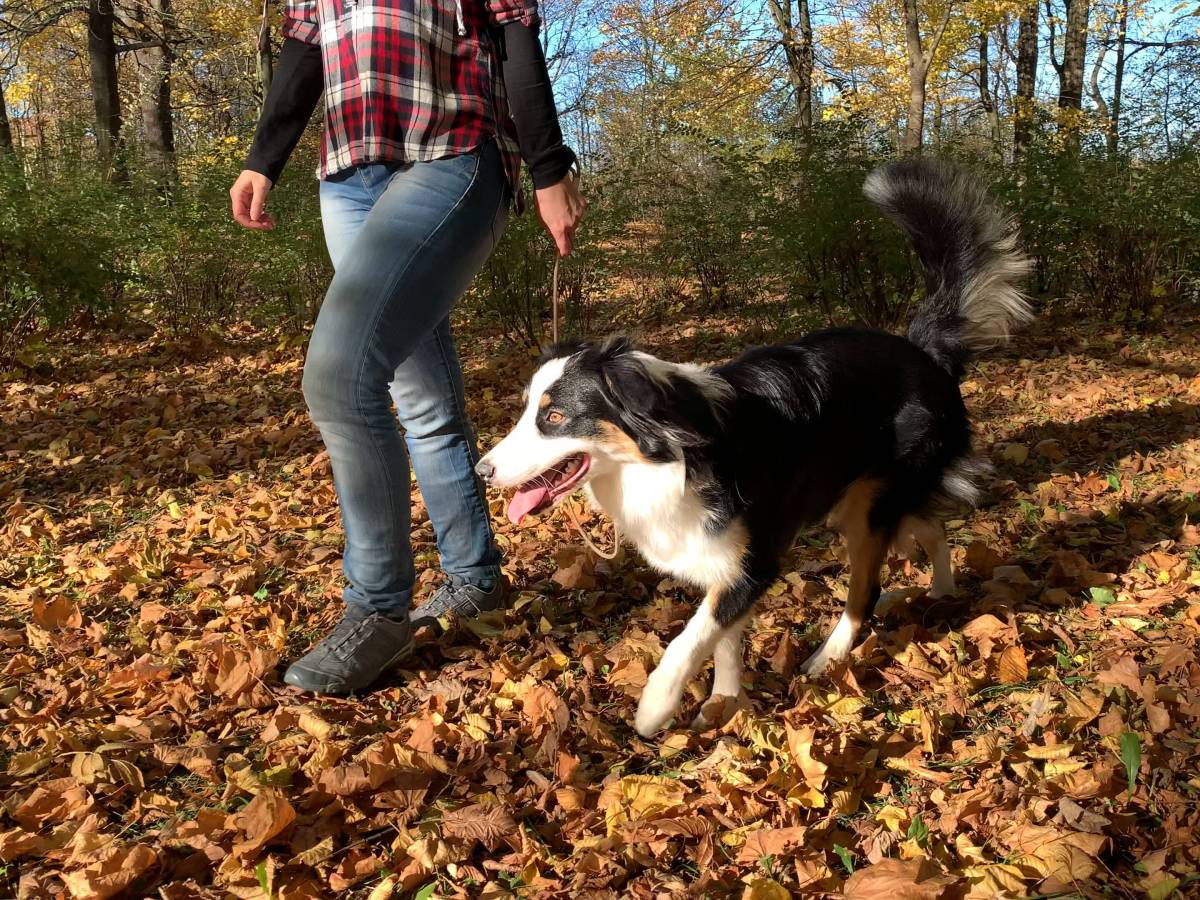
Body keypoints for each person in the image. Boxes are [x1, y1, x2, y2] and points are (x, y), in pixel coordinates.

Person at [229, 0, 585, 695]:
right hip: (349, 176)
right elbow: (304, 53)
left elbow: (516, 39)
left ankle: (378, 608)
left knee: (339, 376)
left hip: (453, 154)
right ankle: (476, 580)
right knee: (416, 392)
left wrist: (547, 166)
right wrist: (262, 160)